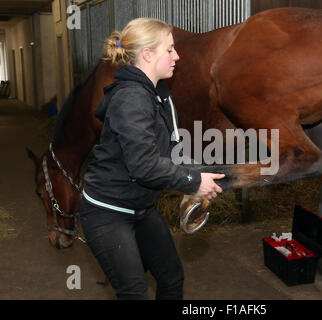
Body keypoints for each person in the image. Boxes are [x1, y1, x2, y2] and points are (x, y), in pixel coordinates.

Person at [80, 18, 225, 300]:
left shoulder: (158, 95)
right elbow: (143, 164)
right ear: (147, 54)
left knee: (171, 278)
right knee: (134, 291)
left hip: (141, 208)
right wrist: (192, 182)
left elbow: (171, 151)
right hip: (108, 212)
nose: (177, 56)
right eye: (169, 50)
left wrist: (205, 176)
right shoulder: (131, 98)